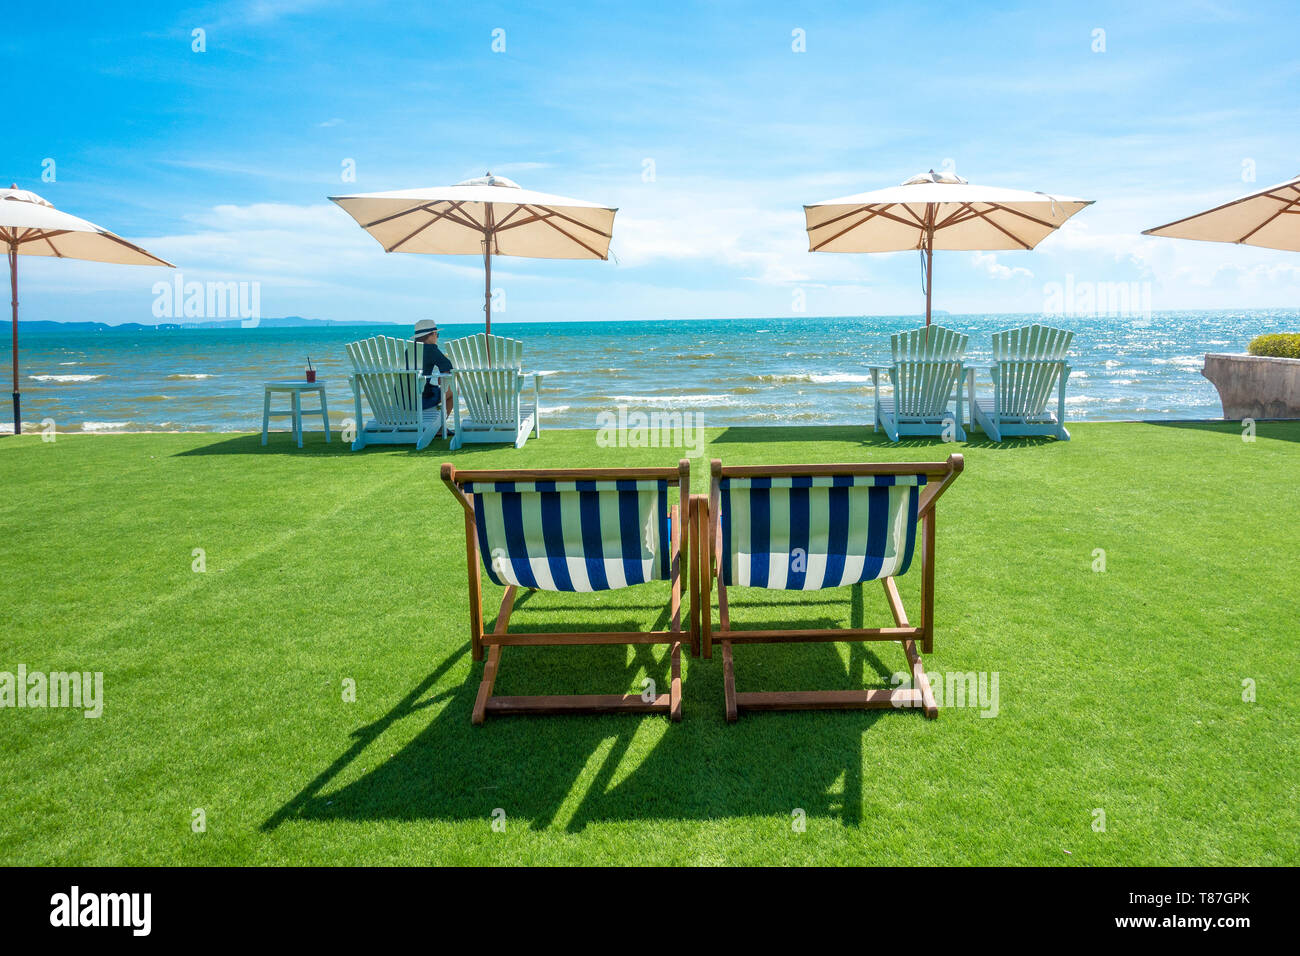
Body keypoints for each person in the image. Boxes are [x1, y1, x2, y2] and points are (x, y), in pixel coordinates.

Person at [412, 319, 454, 421]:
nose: (437, 337)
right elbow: (446, 374)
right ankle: (440, 428)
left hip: (401, 400)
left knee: (431, 390)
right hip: (420, 400)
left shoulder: (408, 349)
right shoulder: (431, 349)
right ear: (432, 334)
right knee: (453, 390)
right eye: (437, 335)